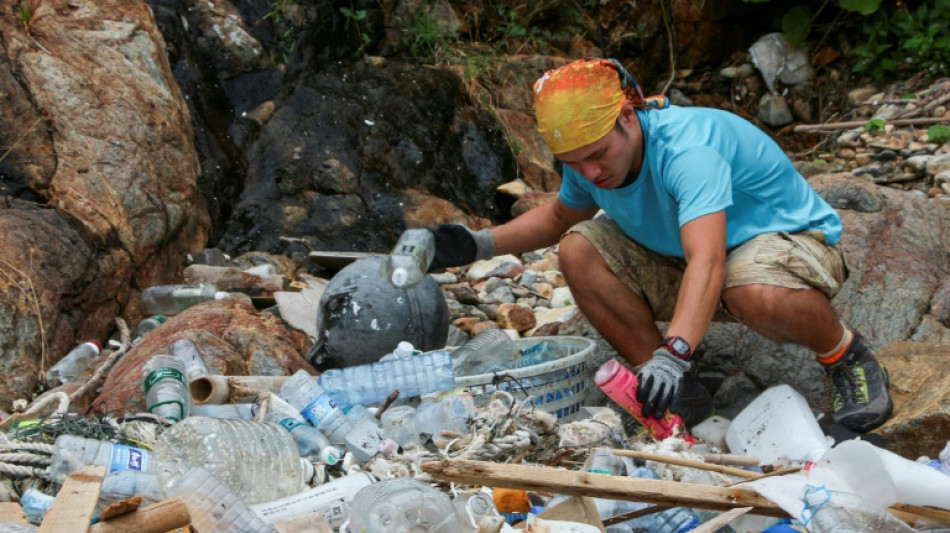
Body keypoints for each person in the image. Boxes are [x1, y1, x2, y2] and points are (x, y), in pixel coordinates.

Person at [426, 57, 893, 433]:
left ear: (627, 116)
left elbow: (707, 262)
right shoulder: (588, 154)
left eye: (597, 155)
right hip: (689, 258)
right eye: (573, 162)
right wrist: (476, 245)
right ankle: (679, 394)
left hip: (784, 246)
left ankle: (846, 356)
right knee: (578, 249)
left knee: (746, 286)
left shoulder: (687, 153)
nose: (590, 173)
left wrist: (675, 351)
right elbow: (558, 217)